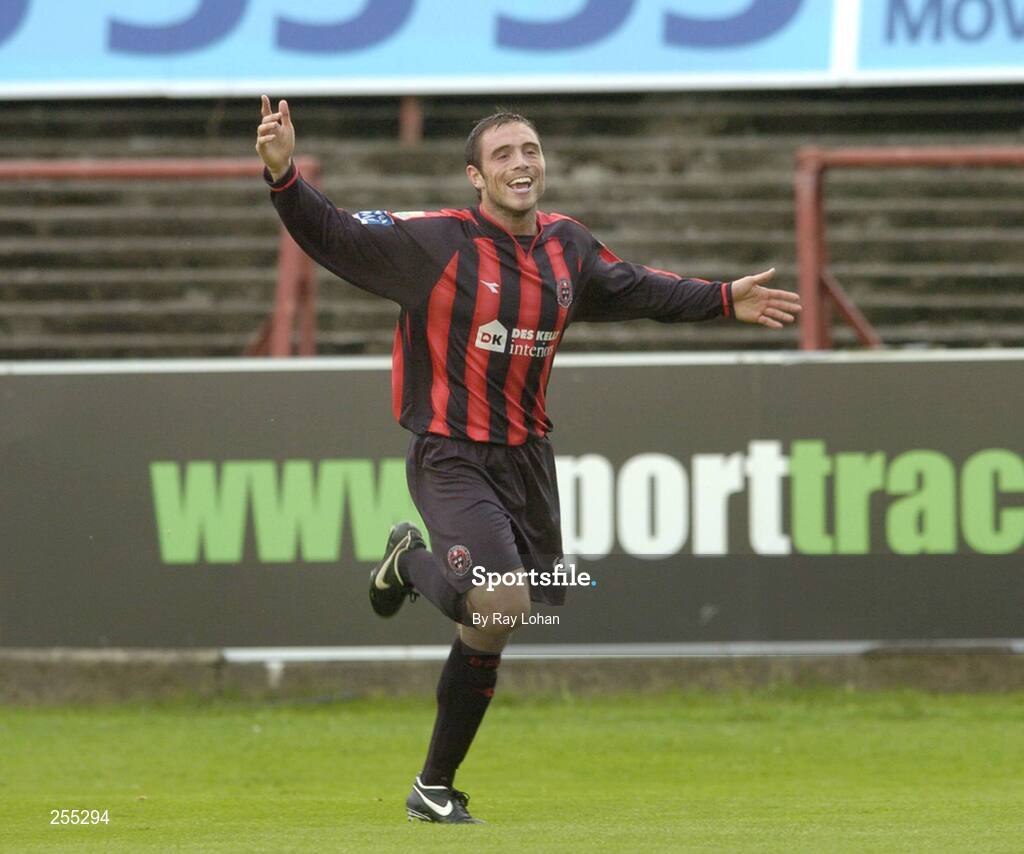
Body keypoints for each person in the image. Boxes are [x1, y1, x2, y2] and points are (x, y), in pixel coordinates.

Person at [256, 95, 801, 824]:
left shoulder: (567, 246)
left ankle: (432, 788)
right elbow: (334, 234)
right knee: (502, 598)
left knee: (491, 625)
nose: (522, 163)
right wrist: (285, 175)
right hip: (450, 452)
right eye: (504, 154)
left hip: (526, 460)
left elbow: (635, 287)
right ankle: (413, 564)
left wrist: (721, 298)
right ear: (476, 178)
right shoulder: (435, 243)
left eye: (530, 150)